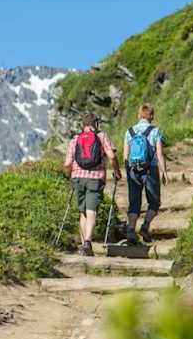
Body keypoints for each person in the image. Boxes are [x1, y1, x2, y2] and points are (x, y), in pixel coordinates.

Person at [64, 113, 119, 256]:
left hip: (77, 177)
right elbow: (112, 156)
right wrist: (117, 171)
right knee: (91, 210)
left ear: (83, 124)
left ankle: (84, 246)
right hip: (95, 178)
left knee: (82, 212)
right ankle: (88, 242)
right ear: (96, 124)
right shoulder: (101, 136)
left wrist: (69, 176)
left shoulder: (75, 139)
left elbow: (67, 163)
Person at [122, 103, 167, 245]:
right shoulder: (155, 131)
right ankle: (145, 226)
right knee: (154, 202)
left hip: (133, 170)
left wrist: (128, 172)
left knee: (134, 203)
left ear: (139, 115)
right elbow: (159, 153)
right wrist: (164, 172)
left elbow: (125, 155)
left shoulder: (129, 131)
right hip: (150, 169)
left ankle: (130, 230)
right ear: (151, 116)